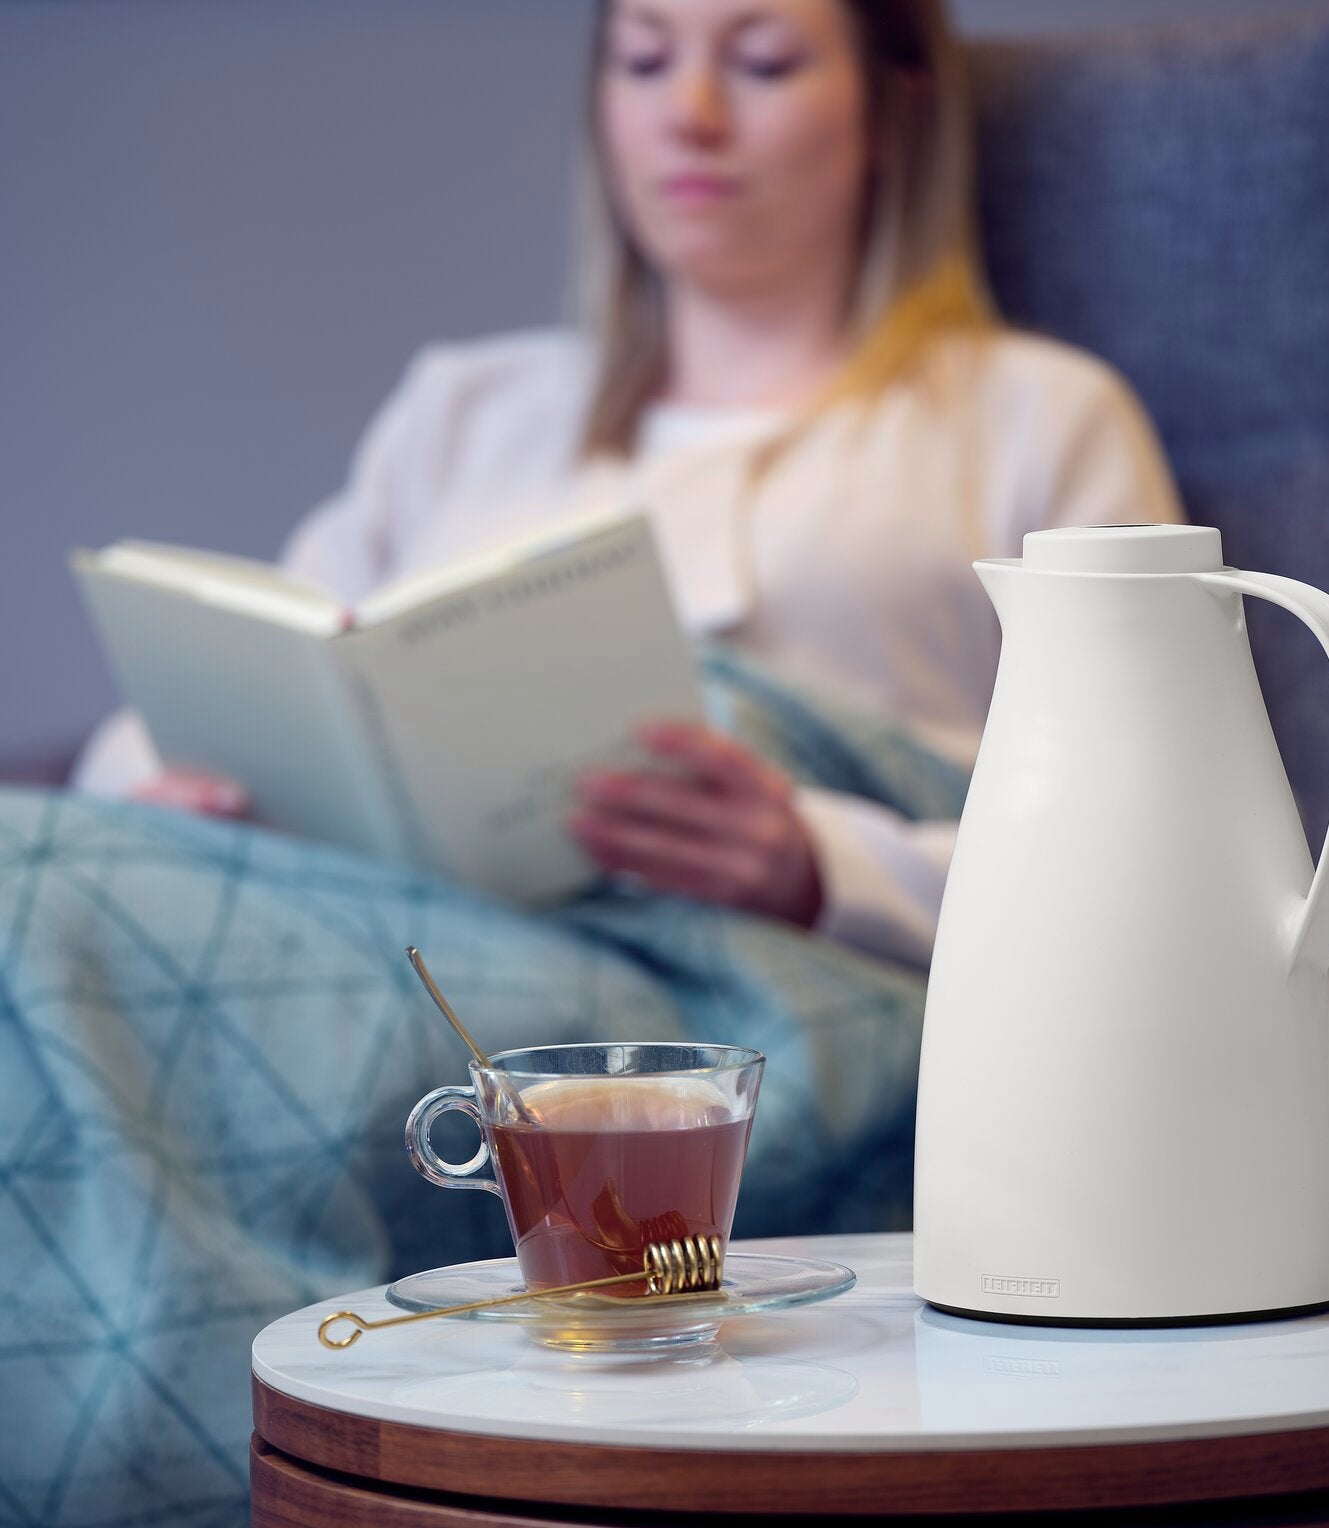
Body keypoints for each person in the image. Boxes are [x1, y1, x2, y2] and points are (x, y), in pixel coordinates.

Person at [74, 0, 1179, 969]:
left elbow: (1156, 848)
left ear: (897, 105)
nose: (687, 112)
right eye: (643, 60)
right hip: (394, 949)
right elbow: (254, 681)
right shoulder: (467, 409)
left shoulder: (1036, 414)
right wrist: (158, 800)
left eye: (761, 62)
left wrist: (820, 869)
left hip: (766, 1004)